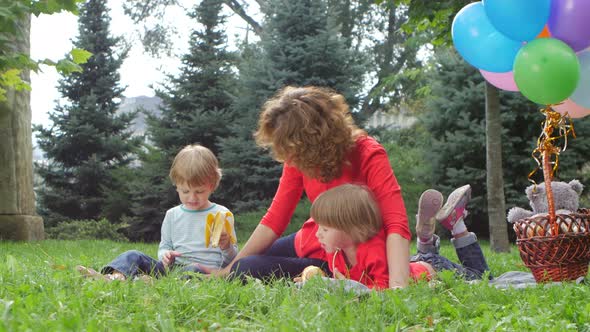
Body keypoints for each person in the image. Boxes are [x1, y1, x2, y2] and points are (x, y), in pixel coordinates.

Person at [201, 85, 411, 288]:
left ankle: (424, 259)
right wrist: (227, 270)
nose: (287, 158)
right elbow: (275, 218)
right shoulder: (297, 158)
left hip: (340, 253)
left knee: (247, 268)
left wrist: (397, 287)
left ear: (311, 142)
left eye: (289, 149)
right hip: (311, 238)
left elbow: (396, 225)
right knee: (241, 265)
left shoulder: (368, 154)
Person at [76, 144, 238, 281]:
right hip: (171, 269)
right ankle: (116, 278)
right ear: (176, 186)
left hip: (202, 271)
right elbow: (164, 247)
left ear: (212, 185)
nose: (192, 197)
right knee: (133, 255)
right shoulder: (173, 215)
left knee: (193, 269)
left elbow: (232, 261)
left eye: (199, 191)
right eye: (185, 191)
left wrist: (227, 247)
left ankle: (144, 281)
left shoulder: (222, 214)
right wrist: (165, 255)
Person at [310, 184, 433, 289]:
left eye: (325, 229)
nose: (317, 234)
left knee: (438, 263)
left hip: (424, 271)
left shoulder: (373, 252)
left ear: (351, 229)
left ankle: (427, 244)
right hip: (411, 261)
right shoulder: (335, 253)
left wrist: (351, 289)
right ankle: (425, 244)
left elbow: (384, 289)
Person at [411, 184, 491, 281]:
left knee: (482, 277)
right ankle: (425, 241)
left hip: (424, 270)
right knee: (483, 278)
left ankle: (456, 224)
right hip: (411, 263)